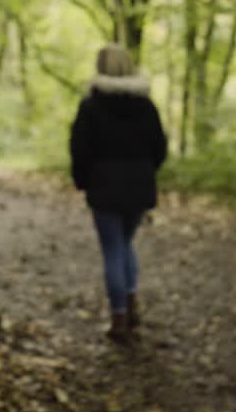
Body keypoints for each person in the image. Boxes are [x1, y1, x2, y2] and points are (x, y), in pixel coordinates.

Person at [70, 43, 167, 343]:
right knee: (124, 244)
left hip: (105, 188)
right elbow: (159, 148)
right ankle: (132, 304)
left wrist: (83, 181)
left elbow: (79, 150)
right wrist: (146, 173)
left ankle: (119, 318)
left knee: (113, 249)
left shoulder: (90, 106)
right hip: (139, 187)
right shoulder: (146, 106)